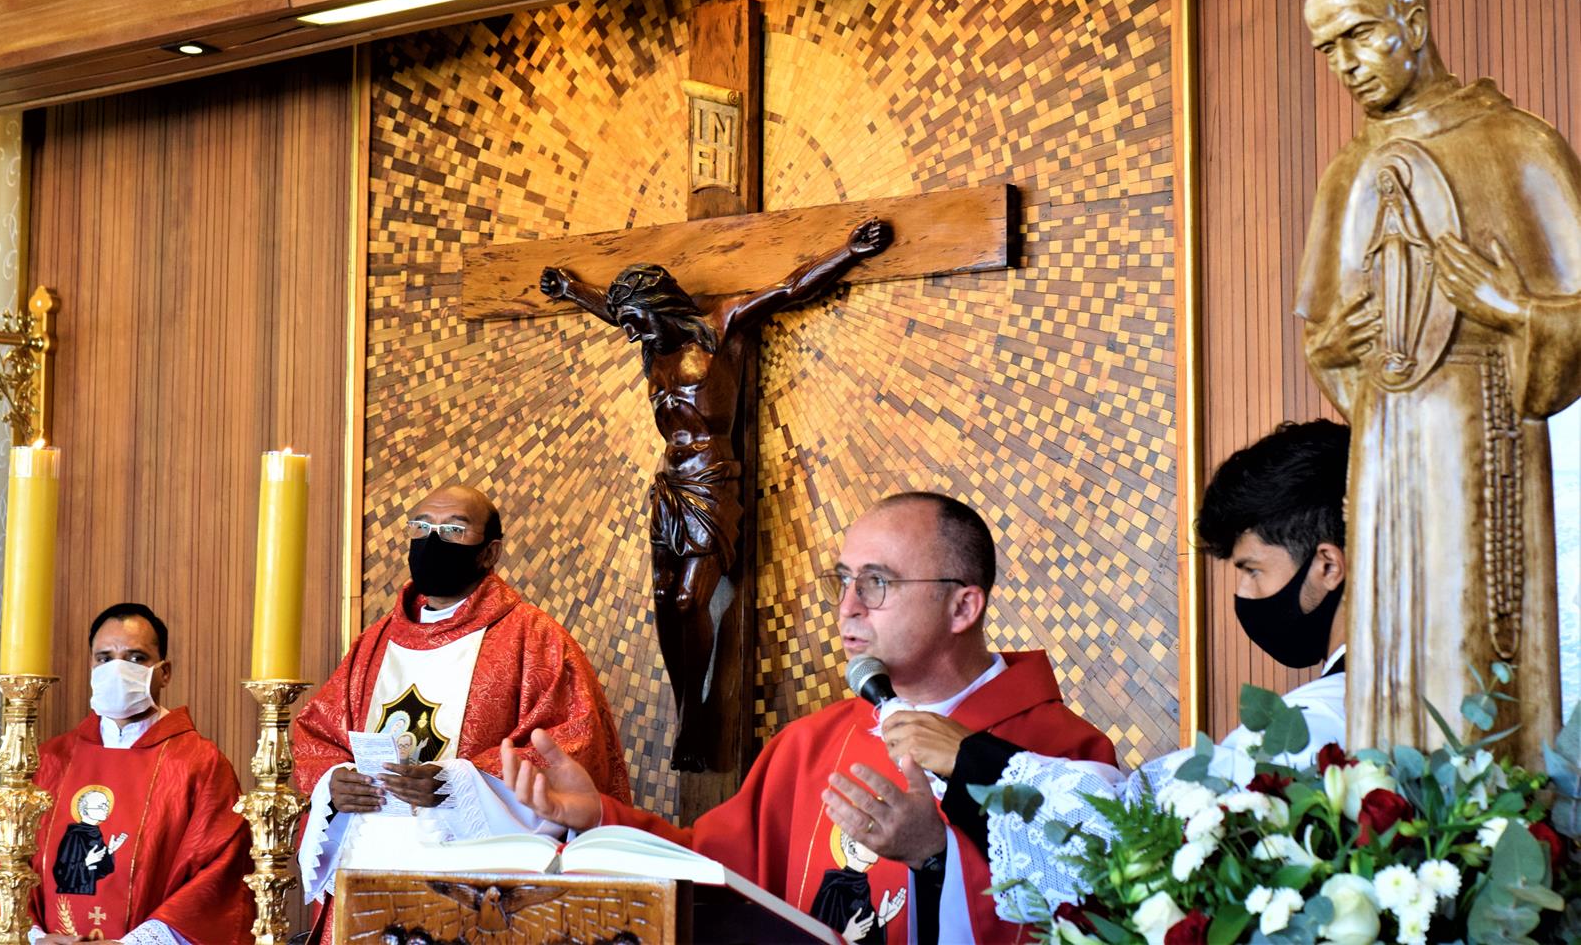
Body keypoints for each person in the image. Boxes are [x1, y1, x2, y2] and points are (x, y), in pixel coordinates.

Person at [499, 492, 1117, 944]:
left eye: (876, 583)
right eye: (842, 581)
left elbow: (1092, 921)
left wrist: (937, 856)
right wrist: (599, 817)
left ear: (962, 607)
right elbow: (717, 872)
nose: (847, 607)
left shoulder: (1062, 754)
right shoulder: (810, 744)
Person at [881, 420, 1353, 922]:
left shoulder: (1326, 718)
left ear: (1327, 565)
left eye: (1252, 570)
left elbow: (1142, 843)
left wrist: (973, 761)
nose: (1244, 595)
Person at [1297, 0, 1581, 766]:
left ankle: (1486, 830)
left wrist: (1509, 310)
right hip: (1385, 463)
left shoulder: (1517, 143)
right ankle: (1395, 820)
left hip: (1483, 449)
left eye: (1359, 35)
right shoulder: (1349, 171)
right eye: (1328, 49)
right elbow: (1326, 334)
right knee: (1393, 651)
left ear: (1413, 25)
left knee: (1473, 656)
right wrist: (1333, 348)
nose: (1345, 64)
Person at [540, 218, 892, 770]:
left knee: (688, 600)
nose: (629, 333)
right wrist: (571, 291)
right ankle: (687, 709)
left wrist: (847, 252)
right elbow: (612, 310)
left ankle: (695, 714)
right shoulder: (649, 344)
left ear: (659, 307)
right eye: (625, 323)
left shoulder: (717, 325)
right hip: (669, 486)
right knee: (663, 597)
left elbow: (789, 289)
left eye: (636, 320)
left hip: (712, 482)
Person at [292, 484, 631, 944]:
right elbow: (318, 736)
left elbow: (574, 751)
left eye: (454, 529)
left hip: (477, 895)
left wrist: (458, 785)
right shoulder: (374, 643)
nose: (433, 540)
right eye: (421, 526)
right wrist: (335, 784)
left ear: (489, 553)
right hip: (367, 878)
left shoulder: (535, 639)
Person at [0, 603, 255, 944]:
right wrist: (34, 937)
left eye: (136, 658)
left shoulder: (199, 764)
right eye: (104, 658)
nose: (117, 670)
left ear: (164, 672)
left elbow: (220, 874)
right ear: (91, 667)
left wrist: (136, 943)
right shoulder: (48, 760)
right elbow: (8, 862)